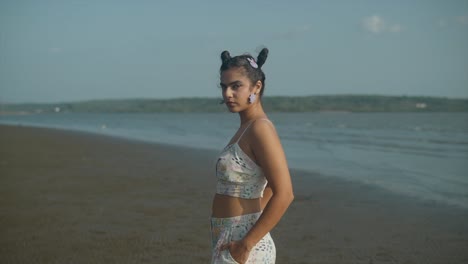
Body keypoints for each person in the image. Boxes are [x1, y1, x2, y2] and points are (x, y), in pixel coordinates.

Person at [211, 47, 294, 264]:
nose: (227, 93)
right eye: (224, 87)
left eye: (236, 86)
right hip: (229, 237)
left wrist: (246, 243)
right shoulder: (246, 128)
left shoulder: (260, 128)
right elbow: (265, 186)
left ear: (257, 86)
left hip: (244, 244)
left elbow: (284, 193)